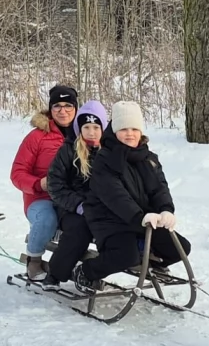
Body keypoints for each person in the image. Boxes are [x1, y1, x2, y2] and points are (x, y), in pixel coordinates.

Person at [72, 101, 191, 293]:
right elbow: (115, 196)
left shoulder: (149, 158)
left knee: (181, 248)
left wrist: (165, 209)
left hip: (144, 220)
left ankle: (151, 259)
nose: (130, 134)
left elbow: (159, 188)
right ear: (115, 131)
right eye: (124, 129)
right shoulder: (105, 159)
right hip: (111, 220)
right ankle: (86, 272)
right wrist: (138, 217)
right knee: (126, 256)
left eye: (134, 129)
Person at [11, 85, 79, 280]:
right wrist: (38, 184)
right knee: (47, 218)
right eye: (57, 106)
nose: (63, 111)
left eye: (68, 105)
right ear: (50, 109)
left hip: (71, 197)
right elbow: (17, 173)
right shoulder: (37, 137)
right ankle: (34, 260)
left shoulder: (84, 134)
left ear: (75, 108)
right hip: (41, 198)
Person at [43, 100, 109, 290]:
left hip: (102, 208)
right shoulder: (68, 150)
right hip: (71, 208)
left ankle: (94, 271)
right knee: (80, 229)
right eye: (86, 127)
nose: (91, 132)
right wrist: (78, 205)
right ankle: (56, 273)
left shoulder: (110, 151)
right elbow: (55, 184)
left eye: (96, 127)